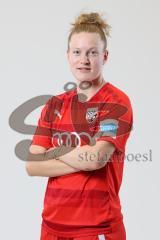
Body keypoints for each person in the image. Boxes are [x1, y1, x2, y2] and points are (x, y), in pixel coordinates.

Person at [26, 12, 133, 240]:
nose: (84, 60)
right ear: (68, 55)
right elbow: (33, 165)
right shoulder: (55, 104)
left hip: (96, 227)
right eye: (77, 52)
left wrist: (53, 153)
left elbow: (96, 159)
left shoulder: (116, 103)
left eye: (92, 53)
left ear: (105, 56)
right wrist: (81, 157)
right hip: (52, 227)